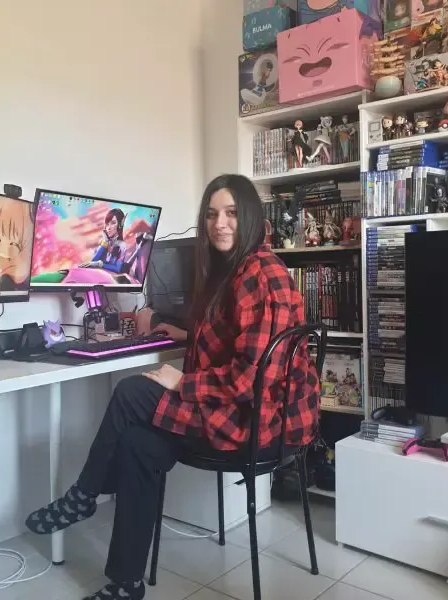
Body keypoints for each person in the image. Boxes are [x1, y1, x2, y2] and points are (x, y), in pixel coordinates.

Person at [25, 174, 320, 600]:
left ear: (251, 217)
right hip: (244, 414)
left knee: (132, 392)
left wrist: (182, 379)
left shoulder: (260, 274)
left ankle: (82, 496)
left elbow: (250, 379)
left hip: (256, 424)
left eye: (232, 213)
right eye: (212, 214)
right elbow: (240, 341)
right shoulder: (237, 269)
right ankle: (125, 583)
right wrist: (185, 335)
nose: (220, 223)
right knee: (138, 446)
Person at [80, 208, 128, 273]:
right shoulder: (104, 242)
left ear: (120, 225)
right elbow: (93, 262)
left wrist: (100, 264)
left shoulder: (122, 245)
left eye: (113, 223)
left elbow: (117, 269)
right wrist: (105, 242)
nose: (109, 228)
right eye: (107, 224)